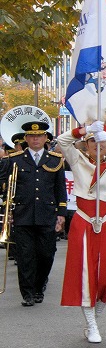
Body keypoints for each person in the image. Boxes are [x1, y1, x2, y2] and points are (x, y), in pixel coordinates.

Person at [57, 122, 106, 343]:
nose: (98, 145)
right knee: (86, 273)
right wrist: (83, 131)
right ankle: (91, 324)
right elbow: (62, 141)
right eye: (93, 141)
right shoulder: (77, 159)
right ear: (86, 144)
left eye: (101, 141)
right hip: (84, 222)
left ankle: (95, 319)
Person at [0, 121, 66, 307]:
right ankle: (28, 293)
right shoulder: (15, 159)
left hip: (46, 214)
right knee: (25, 256)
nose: (35, 139)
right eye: (31, 136)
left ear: (45, 138)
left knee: (46, 254)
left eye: (39, 136)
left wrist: (61, 213)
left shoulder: (55, 159)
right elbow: (6, 188)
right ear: (26, 138)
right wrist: (7, 209)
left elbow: (60, 189)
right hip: (22, 214)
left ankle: (39, 286)